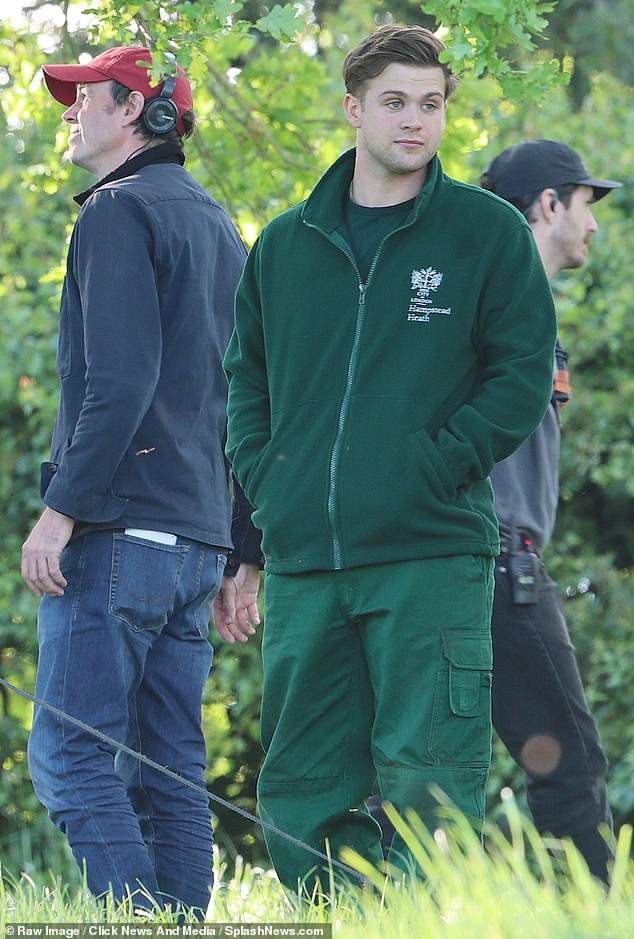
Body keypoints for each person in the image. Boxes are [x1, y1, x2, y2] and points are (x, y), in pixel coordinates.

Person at [223, 25, 557, 893]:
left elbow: (520, 379)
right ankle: (344, 914)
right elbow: (244, 386)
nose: (416, 121)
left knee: (430, 784)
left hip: (429, 551)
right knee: (299, 791)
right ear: (353, 108)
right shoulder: (283, 247)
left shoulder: (487, 235)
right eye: (396, 102)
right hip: (306, 562)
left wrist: (434, 466)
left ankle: (417, 918)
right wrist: (271, 485)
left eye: (432, 104)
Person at [21, 45, 259, 916]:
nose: (69, 113)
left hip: (119, 535)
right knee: (169, 774)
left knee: (70, 757)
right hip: (194, 545)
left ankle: (142, 926)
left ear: (141, 113)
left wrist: (59, 513)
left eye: (85, 98)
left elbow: (119, 387)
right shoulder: (219, 225)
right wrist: (245, 551)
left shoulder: (116, 213)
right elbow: (253, 404)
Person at [480, 139, 622, 883]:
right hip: (498, 564)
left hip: (486, 560)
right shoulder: (499, 304)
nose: (595, 225)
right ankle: (595, 916)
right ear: (547, 205)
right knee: (572, 762)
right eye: (586, 205)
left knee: (420, 761)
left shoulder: (506, 299)